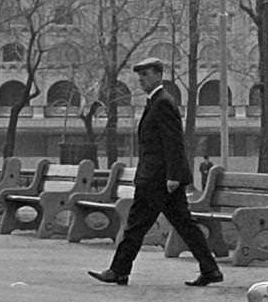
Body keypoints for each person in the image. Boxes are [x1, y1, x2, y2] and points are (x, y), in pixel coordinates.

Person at [88, 57, 223, 288]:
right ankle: (210, 269)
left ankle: (118, 271)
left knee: (136, 225)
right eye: (140, 76)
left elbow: (173, 142)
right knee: (184, 225)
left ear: (159, 75)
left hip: (157, 180)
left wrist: (173, 176)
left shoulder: (163, 103)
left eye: (146, 74)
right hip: (159, 178)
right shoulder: (156, 102)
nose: (142, 79)